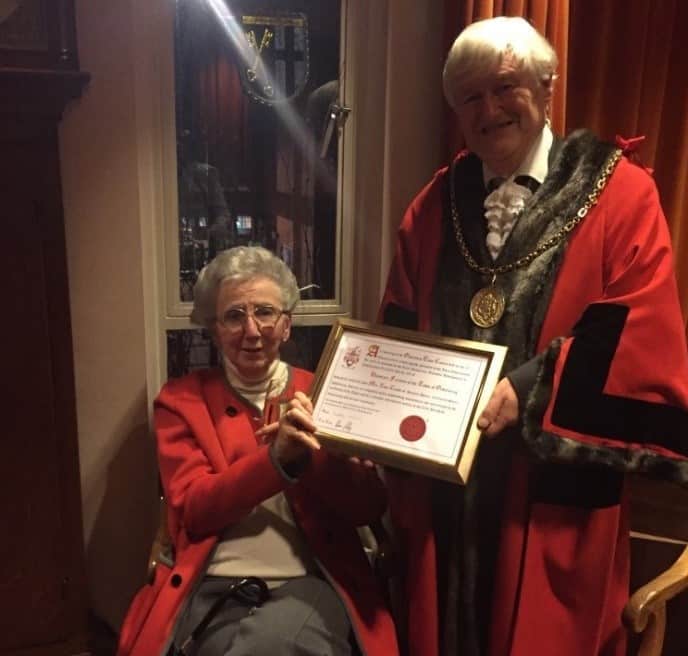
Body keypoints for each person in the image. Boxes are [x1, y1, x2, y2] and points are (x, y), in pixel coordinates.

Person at [379, 16, 688, 656]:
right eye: (470, 96)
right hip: (447, 487)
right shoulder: (433, 204)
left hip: (550, 496)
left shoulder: (622, 192)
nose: (488, 110)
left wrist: (528, 390)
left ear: (547, 87)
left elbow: (638, 331)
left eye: (504, 87)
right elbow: (399, 326)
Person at [118, 246, 399, 656]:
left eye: (265, 312)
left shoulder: (326, 391)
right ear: (214, 329)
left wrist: (311, 459)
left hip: (312, 582)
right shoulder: (181, 402)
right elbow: (195, 510)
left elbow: (368, 506)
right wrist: (275, 462)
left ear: (286, 326)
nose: (251, 330)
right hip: (213, 587)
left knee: (275, 644)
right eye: (234, 316)